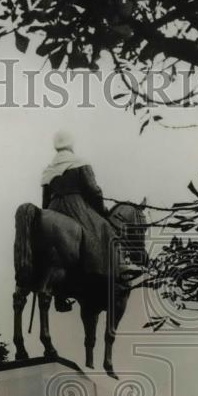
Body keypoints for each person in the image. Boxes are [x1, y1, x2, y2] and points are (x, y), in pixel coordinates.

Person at [41, 131, 139, 308]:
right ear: (72, 145)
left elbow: (44, 202)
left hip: (54, 209)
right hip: (76, 206)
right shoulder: (80, 163)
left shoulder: (48, 169)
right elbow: (94, 191)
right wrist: (100, 211)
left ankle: (59, 296)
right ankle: (121, 267)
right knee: (105, 229)